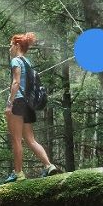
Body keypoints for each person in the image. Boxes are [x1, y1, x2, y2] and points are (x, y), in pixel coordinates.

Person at [4, 32, 60, 183]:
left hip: (18, 103)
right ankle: (49, 166)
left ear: (16, 45)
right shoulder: (27, 62)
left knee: (16, 140)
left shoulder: (16, 61)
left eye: (10, 45)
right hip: (29, 105)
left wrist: (9, 104)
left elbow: (16, 83)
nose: (9, 49)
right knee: (30, 139)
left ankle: (18, 173)